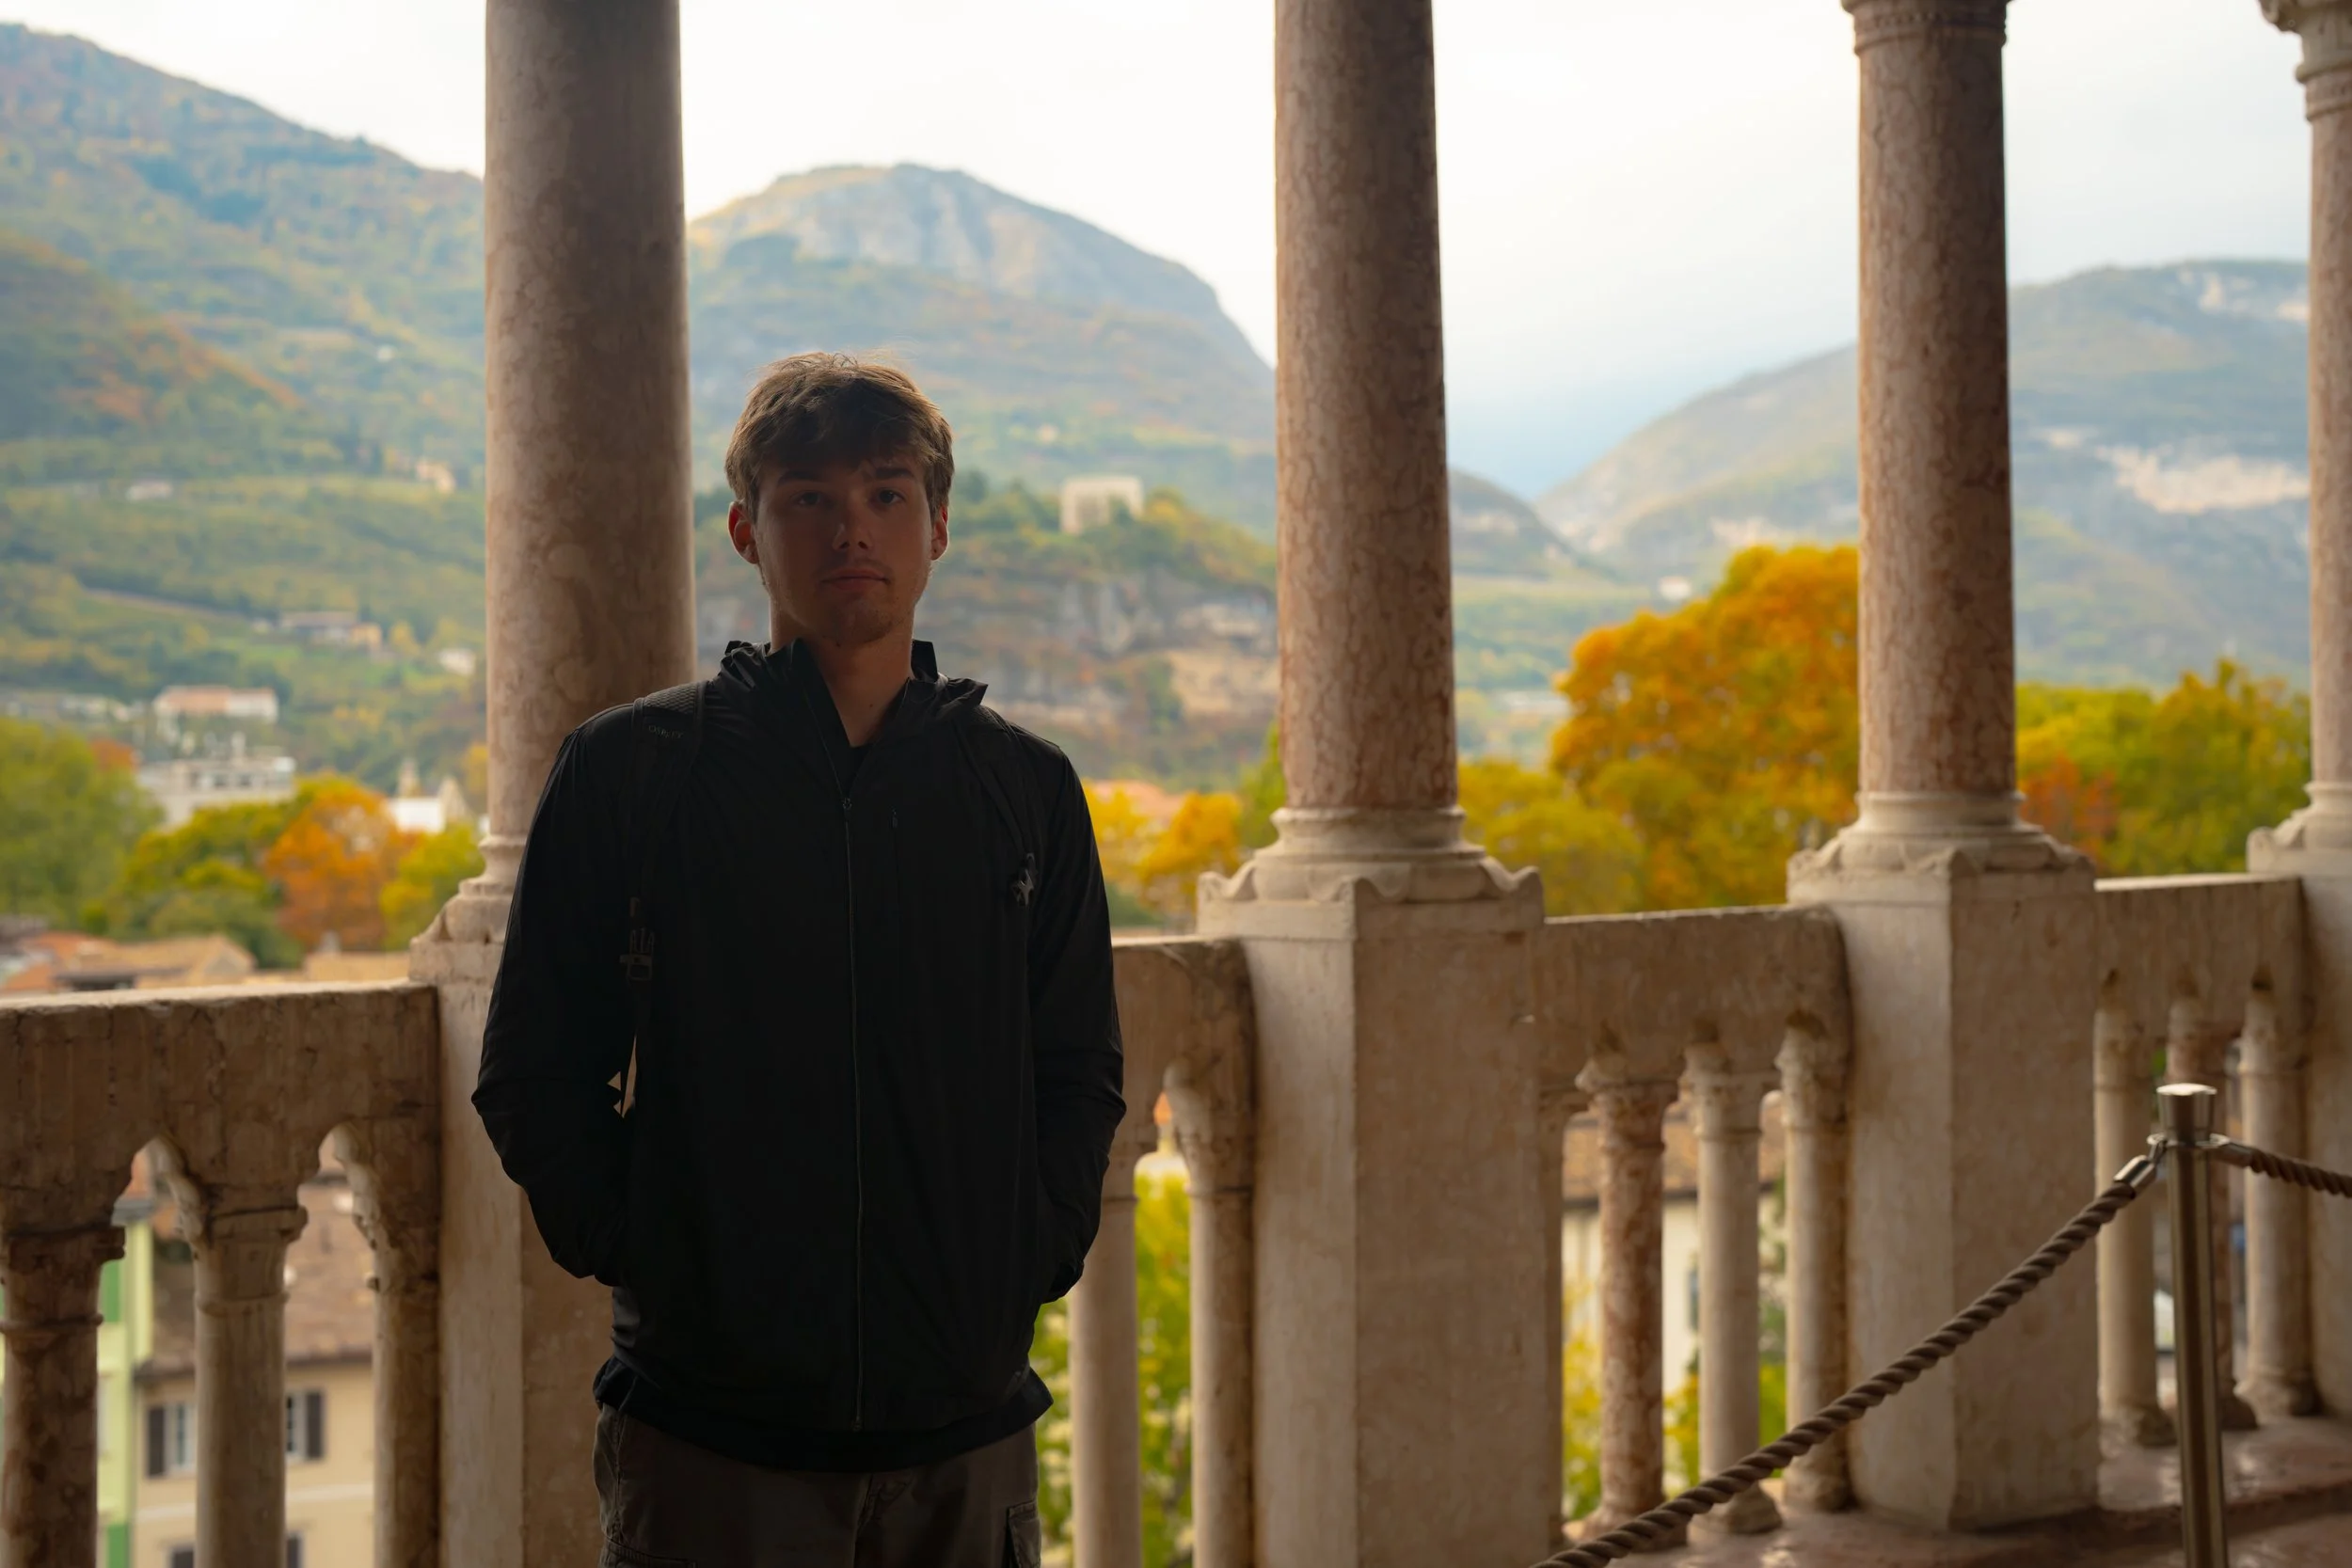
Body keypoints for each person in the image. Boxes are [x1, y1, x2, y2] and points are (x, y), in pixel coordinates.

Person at [473, 353, 1127, 1567]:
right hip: (713, 1439)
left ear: (938, 527)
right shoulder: (635, 773)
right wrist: (657, 1254)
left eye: (886, 494)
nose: (851, 530)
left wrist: (1029, 1252)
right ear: (746, 531)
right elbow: (532, 1069)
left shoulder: (1023, 790)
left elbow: (1077, 1063)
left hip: (963, 1430)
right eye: (809, 497)